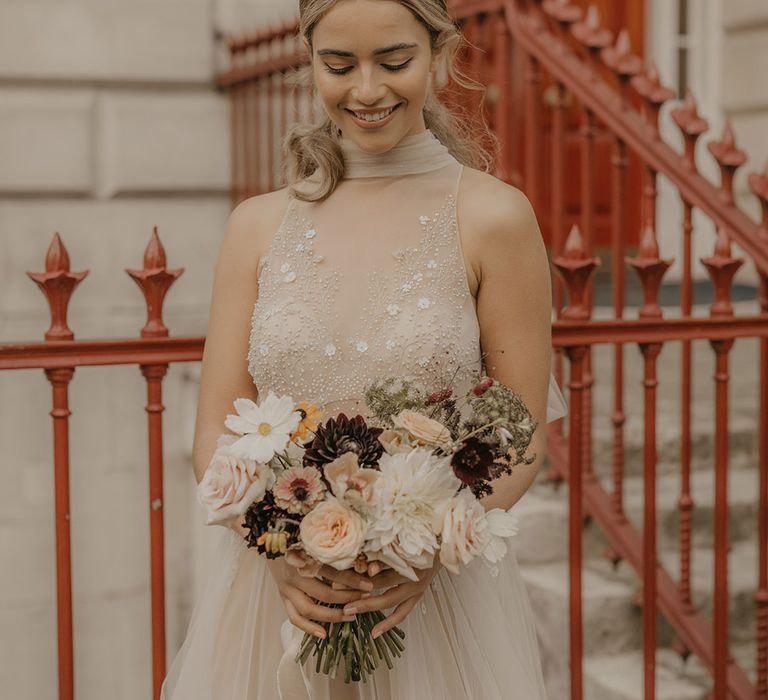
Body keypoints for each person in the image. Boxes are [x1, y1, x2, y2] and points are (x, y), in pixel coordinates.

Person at [161, 0, 568, 697]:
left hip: (432, 602)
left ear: (438, 54)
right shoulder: (255, 226)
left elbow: (520, 432)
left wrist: (423, 553)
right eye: (339, 65)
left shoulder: (493, 216)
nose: (367, 90)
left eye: (395, 61)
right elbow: (213, 434)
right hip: (275, 596)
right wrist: (280, 551)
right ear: (309, 60)